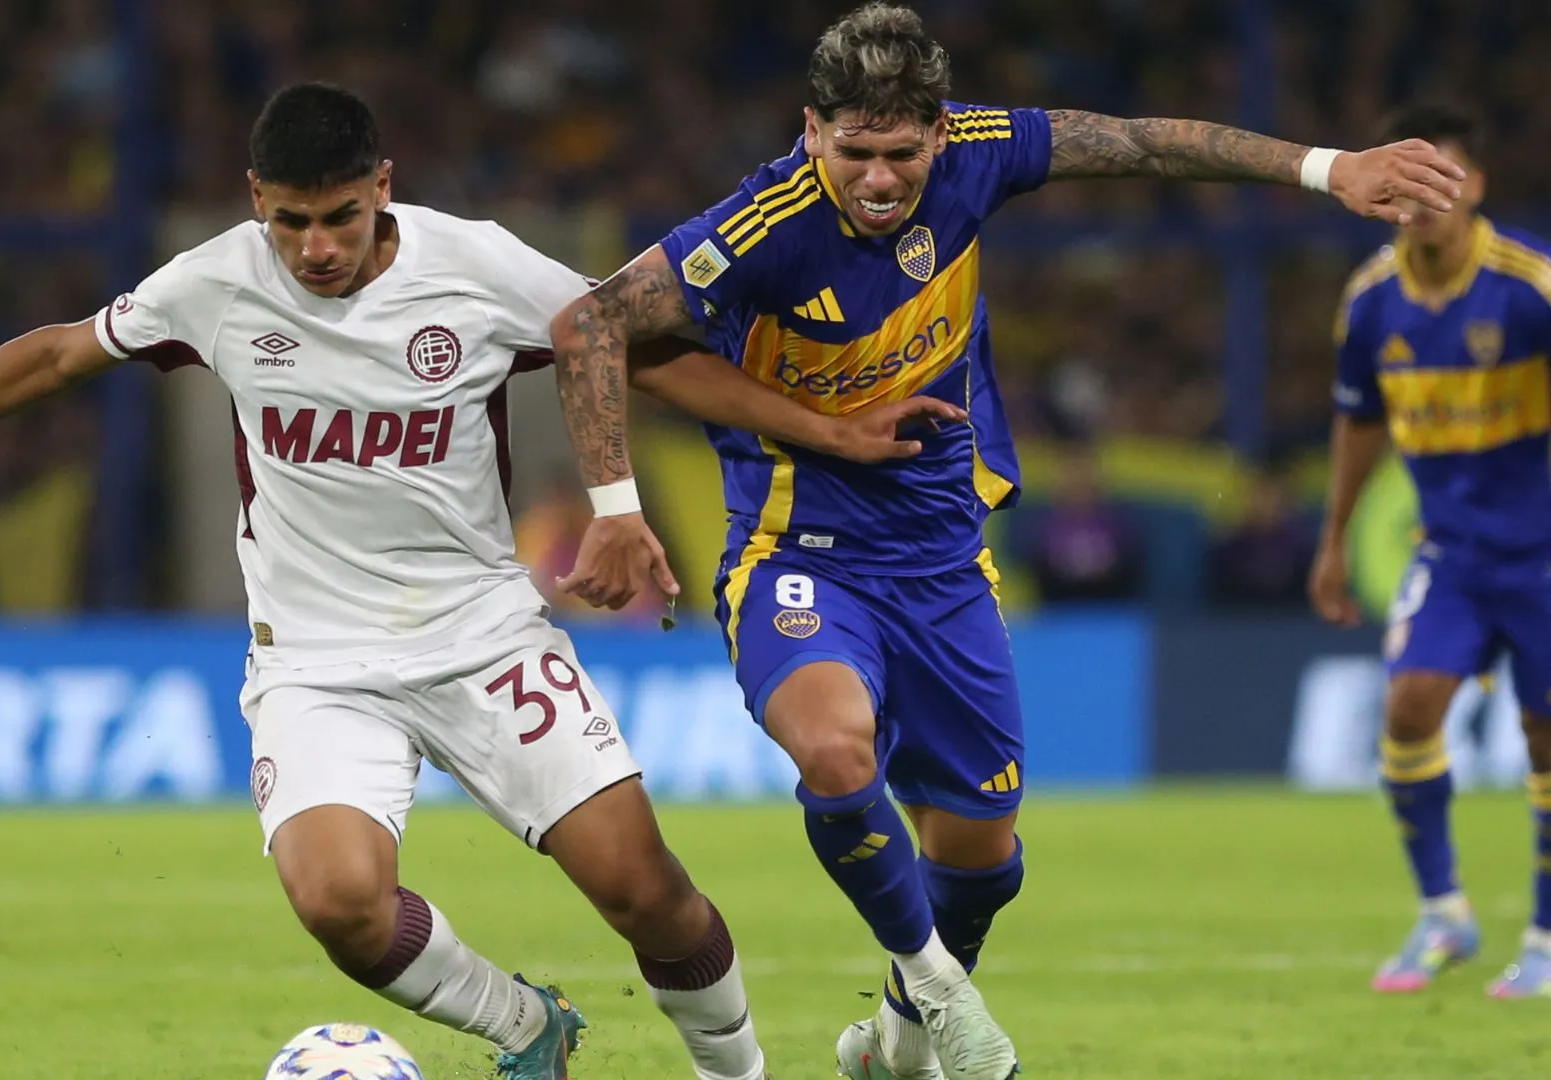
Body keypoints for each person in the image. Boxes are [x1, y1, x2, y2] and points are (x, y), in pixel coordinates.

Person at [0, 83, 960, 1080]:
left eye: (337, 217)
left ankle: (736, 1074)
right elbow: (62, 352)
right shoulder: (218, 282)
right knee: (338, 901)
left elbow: (634, 348)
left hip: (485, 636)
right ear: (257, 207)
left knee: (646, 892)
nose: (316, 248)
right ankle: (525, 1028)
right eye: (291, 224)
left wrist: (828, 430)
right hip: (316, 665)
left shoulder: (476, 267)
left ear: (383, 184)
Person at [544, 5, 1466, 1078]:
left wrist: (1325, 167)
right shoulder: (761, 228)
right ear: (811, 131)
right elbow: (595, 327)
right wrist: (639, 502)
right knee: (837, 753)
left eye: (900, 153)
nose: (880, 181)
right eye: (854, 153)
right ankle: (940, 992)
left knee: (983, 860)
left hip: (942, 558)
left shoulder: (983, 155)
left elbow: (1142, 143)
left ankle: (891, 1040)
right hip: (800, 554)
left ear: (941, 133)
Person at [1309, 101, 1551, 1000]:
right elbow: (1359, 424)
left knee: (1543, 735)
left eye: (1442, 178)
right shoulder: (1371, 302)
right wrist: (1332, 540)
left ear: (1476, 185)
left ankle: (1548, 932)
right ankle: (1445, 912)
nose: (1424, 199)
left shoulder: (1529, 286)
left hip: (1540, 552)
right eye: (1408, 182)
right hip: (1448, 552)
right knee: (1409, 709)